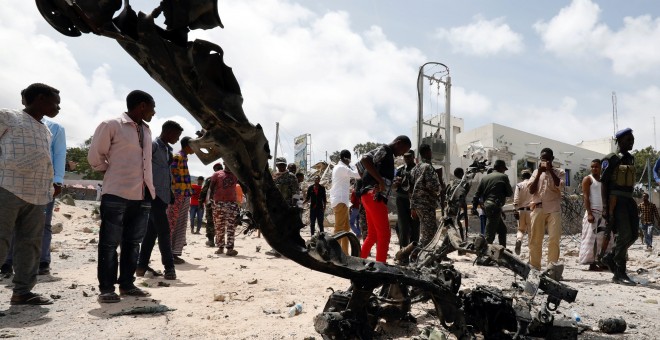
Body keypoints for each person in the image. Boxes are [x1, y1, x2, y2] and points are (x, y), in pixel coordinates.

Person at [88, 89, 156, 303]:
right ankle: (107, 288)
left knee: (133, 243)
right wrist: (112, 171)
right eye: (152, 108)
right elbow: (95, 156)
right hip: (116, 193)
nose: (153, 113)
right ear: (142, 106)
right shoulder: (112, 125)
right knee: (109, 244)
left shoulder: (146, 130)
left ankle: (127, 284)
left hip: (143, 194)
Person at [0, 83, 61, 305]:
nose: (58, 107)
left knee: (30, 243)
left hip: (37, 195)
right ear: (41, 98)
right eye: (56, 102)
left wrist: (50, 185)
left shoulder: (45, 129)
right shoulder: (7, 117)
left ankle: (22, 292)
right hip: (7, 188)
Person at [1, 115, 66, 276]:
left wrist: (57, 181)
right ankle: (7, 263)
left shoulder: (55, 127)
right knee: (9, 224)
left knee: (42, 224)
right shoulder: (11, 121)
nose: (57, 108)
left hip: (43, 183)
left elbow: (59, 154)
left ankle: (42, 261)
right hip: (12, 181)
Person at [136, 120, 183, 281]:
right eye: (176, 136)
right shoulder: (154, 145)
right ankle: (169, 268)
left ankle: (141, 266)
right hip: (152, 195)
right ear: (168, 133)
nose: (177, 139)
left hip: (162, 196)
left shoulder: (167, 150)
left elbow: (165, 173)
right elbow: (142, 166)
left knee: (151, 233)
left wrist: (169, 191)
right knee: (164, 231)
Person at [359, 136, 412, 263]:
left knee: (372, 235)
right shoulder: (386, 150)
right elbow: (365, 159)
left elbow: (372, 170)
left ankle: (359, 263)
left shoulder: (388, 155)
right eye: (402, 150)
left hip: (369, 195)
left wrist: (389, 182)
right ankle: (381, 268)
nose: (401, 155)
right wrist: (380, 181)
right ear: (398, 143)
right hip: (375, 196)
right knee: (384, 235)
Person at [600, 128, 638, 285]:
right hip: (617, 200)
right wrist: (605, 207)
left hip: (629, 200)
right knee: (624, 234)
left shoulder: (631, 159)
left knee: (634, 234)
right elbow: (603, 183)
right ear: (620, 141)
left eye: (632, 139)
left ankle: (611, 256)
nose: (631, 142)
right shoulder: (611, 158)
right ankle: (620, 273)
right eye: (628, 140)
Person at [527, 148, 565, 271]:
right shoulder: (535, 172)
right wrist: (539, 173)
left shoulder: (559, 172)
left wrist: (550, 171)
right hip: (538, 208)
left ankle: (551, 268)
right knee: (535, 239)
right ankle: (534, 267)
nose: (545, 161)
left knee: (554, 239)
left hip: (554, 209)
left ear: (552, 159)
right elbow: (531, 190)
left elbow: (560, 185)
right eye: (543, 159)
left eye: (547, 159)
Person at [578, 159, 611, 270]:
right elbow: (586, 197)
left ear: (601, 167)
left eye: (596, 167)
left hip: (602, 214)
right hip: (592, 212)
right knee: (591, 239)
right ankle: (591, 263)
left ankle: (602, 261)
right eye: (592, 167)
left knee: (603, 238)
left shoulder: (603, 180)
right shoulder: (588, 179)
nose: (594, 169)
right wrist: (590, 213)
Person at [473, 160, 513, 247]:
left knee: (502, 230)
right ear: (501, 168)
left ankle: (503, 250)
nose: (504, 171)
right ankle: (483, 256)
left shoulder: (485, 178)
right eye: (504, 169)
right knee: (489, 235)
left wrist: (474, 208)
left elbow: (476, 195)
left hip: (487, 206)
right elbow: (510, 193)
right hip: (495, 207)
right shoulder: (503, 177)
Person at [265, 157, 299, 257]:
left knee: (286, 228)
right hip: (275, 206)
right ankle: (276, 249)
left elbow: (296, 192)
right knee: (275, 228)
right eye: (279, 165)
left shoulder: (291, 177)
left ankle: (287, 249)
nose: (281, 166)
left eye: (283, 165)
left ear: (285, 165)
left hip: (287, 206)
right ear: (276, 166)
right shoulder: (274, 177)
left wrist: (294, 205)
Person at [168, 136, 195, 264]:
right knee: (172, 224)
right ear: (187, 146)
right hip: (178, 195)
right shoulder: (177, 157)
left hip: (184, 195)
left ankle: (175, 253)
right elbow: (171, 175)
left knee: (181, 224)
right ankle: (168, 254)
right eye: (193, 145)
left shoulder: (184, 158)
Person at [330, 150, 362, 254]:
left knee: (346, 228)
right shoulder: (341, 168)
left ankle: (344, 253)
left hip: (342, 201)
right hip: (340, 201)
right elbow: (358, 175)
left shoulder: (339, 167)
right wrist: (355, 165)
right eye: (349, 159)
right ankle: (334, 253)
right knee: (339, 228)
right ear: (346, 158)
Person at [410, 144, 441, 249]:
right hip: (426, 203)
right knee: (428, 233)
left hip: (417, 203)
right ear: (428, 152)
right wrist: (440, 189)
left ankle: (423, 255)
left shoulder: (415, 168)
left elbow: (410, 187)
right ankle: (419, 255)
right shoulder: (428, 167)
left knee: (426, 230)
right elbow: (432, 186)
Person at [210, 163, 239, 256]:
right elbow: (211, 187)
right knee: (219, 226)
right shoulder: (217, 174)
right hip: (218, 203)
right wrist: (212, 201)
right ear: (224, 163)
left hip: (232, 204)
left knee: (231, 227)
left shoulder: (236, 174)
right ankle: (220, 247)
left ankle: (230, 249)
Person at [394, 149, 418, 248]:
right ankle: (403, 250)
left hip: (414, 200)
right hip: (402, 200)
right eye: (405, 157)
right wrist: (397, 183)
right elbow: (394, 187)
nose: (407, 159)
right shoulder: (400, 169)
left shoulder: (418, 169)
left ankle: (413, 250)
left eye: (409, 157)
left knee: (415, 226)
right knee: (403, 226)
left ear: (414, 157)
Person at [200, 163, 223, 247]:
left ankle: (211, 240)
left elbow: (204, 191)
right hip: (223, 204)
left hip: (211, 203)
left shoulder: (210, 179)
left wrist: (200, 203)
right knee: (220, 222)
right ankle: (219, 241)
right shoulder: (227, 177)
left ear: (214, 169)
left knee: (210, 222)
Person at [445, 167, 470, 241]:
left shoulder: (453, 182)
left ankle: (454, 239)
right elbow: (464, 193)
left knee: (451, 224)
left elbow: (448, 192)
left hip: (451, 205)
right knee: (459, 223)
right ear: (461, 174)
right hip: (459, 204)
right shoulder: (464, 182)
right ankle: (462, 239)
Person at [513, 169, 533, 255]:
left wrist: (515, 210)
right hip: (531, 211)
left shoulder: (519, 185)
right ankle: (531, 252)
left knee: (521, 230)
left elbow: (516, 199)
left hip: (521, 210)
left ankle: (519, 240)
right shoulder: (533, 185)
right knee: (531, 232)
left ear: (522, 177)